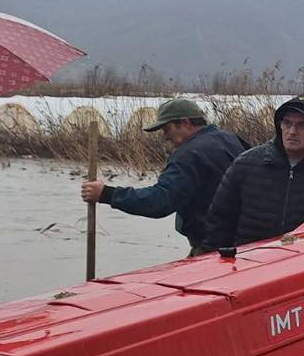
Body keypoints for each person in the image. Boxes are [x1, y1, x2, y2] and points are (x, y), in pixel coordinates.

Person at [78, 98, 245, 255]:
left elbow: (160, 201)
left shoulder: (188, 155)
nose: (165, 136)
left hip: (213, 245)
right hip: (244, 240)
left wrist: (107, 194)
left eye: (167, 129)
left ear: (185, 123)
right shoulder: (230, 139)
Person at [203, 94, 304, 249]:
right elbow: (219, 222)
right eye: (287, 123)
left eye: (302, 125)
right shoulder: (246, 165)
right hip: (249, 260)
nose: (292, 131)